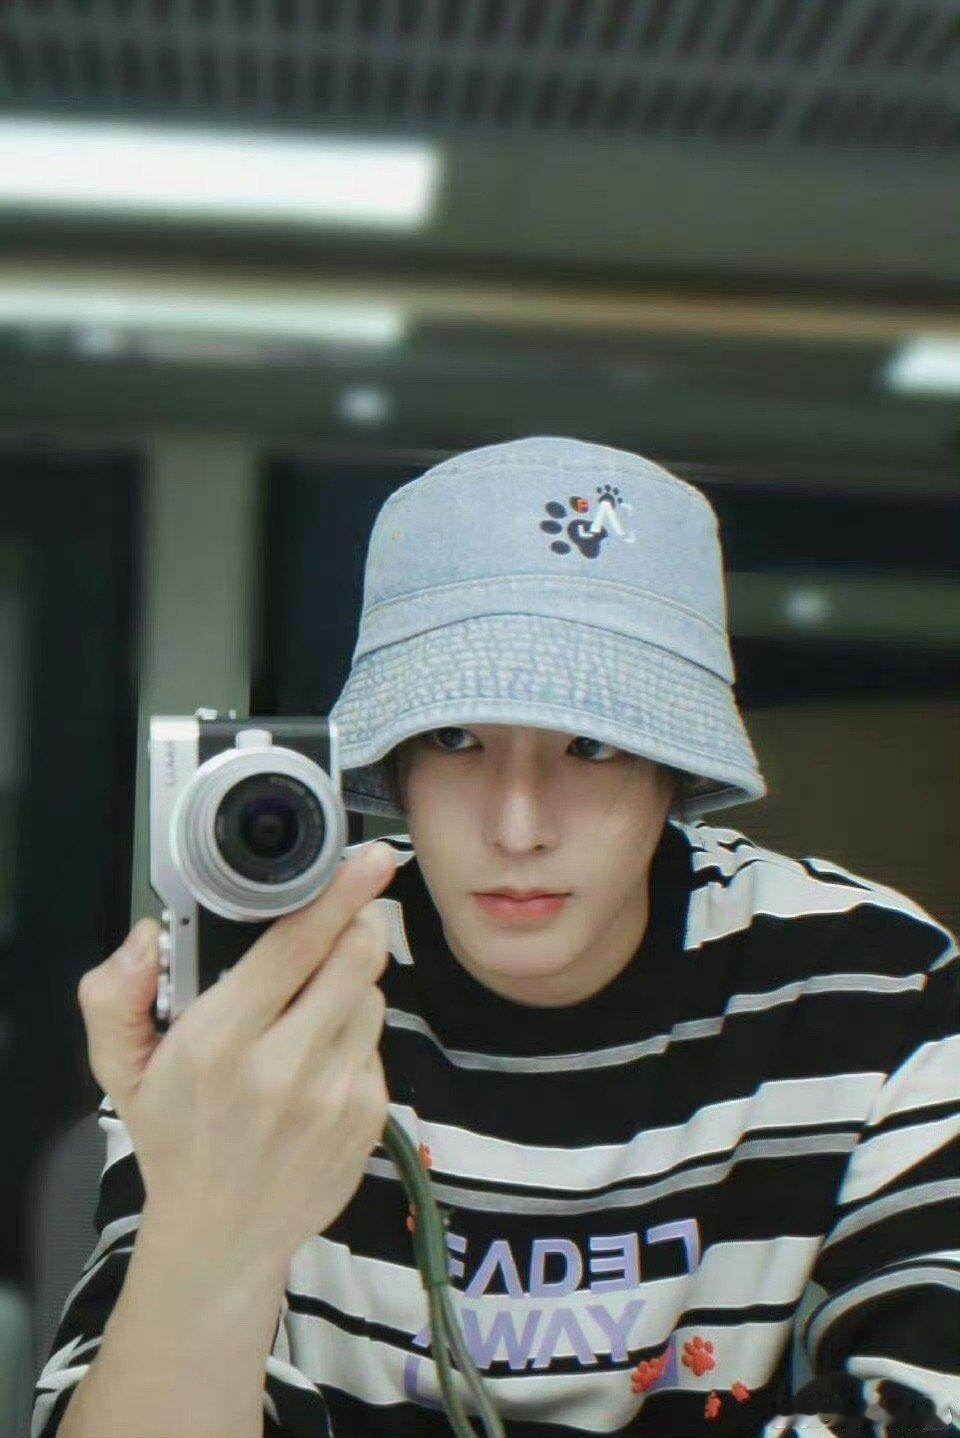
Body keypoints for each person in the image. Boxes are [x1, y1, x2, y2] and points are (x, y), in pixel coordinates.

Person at [33, 436, 958, 1438]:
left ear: (674, 773)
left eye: (592, 745)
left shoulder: (869, 986)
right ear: (398, 765)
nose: (519, 827)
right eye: (457, 738)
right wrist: (209, 1224)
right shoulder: (269, 999)